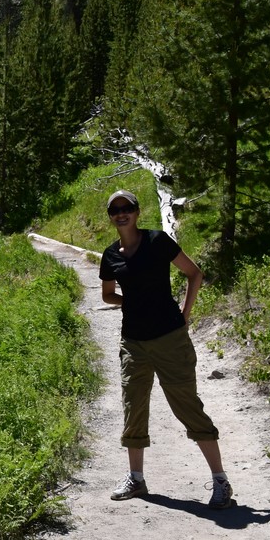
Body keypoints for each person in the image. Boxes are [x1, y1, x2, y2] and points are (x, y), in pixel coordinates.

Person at [98, 190, 233, 509]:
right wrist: (127, 301)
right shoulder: (110, 255)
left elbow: (194, 272)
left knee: (187, 406)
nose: (121, 213)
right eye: (115, 210)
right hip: (133, 342)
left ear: (137, 210)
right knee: (133, 406)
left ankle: (220, 481)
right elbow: (107, 295)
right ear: (111, 216)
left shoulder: (158, 241)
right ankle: (136, 479)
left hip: (170, 339)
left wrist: (185, 315)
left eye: (127, 208)